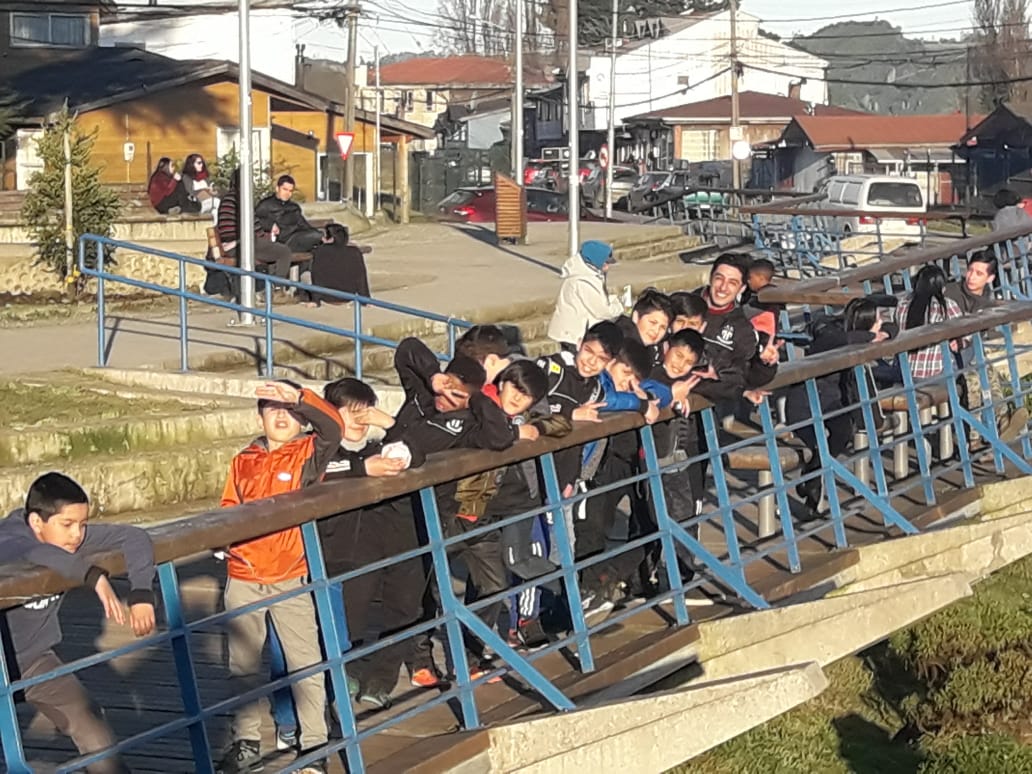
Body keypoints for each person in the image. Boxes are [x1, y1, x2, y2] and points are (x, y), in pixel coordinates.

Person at [214, 380, 344, 774]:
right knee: (243, 665)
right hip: (243, 574)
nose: (281, 415)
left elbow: (334, 428)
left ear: (301, 417)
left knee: (306, 663)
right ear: (260, 417)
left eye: (288, 410)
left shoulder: (308, 453)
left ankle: (314, 746)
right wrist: (224, 542)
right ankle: (246, 742)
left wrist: (301, 398)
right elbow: (228, 506)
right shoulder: (243, 459)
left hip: (291, 575)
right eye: (272, 408)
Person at [0, 472, 156, 774]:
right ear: (36, 522)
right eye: (68, 524)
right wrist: (94, 577)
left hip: (34, 661)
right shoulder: (10, 538)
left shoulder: (64, 537)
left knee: (90, 721)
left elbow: (134, 536)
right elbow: (32, 552)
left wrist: (141, 594)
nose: (77, 536)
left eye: (83, 524)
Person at [785, 299, 889, 514]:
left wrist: (885, 333)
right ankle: (812, 491)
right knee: (818, 444)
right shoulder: (830, 331)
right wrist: (870, 337)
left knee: (843, 432)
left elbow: (892, 328)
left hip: (833, 400)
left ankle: (811, 479)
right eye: (878, 319)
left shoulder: (857, 332)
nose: (881, 322)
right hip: (805, 401)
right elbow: (836, 340)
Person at [216, 167, 294, 281]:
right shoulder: (243, 199)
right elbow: (255, 228)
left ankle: (269, 284)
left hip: (230, 244)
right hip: (240, 245)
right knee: (284, 252)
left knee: (271, 249)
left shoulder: (227, 199)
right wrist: (267, 237)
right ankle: (277, 286)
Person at [547, 240, 625, 350]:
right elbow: (603, 312)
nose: (608, 267)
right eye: (605, 263)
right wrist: (619, 305)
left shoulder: (585, 275)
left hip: (571, 332)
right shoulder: (584, 282)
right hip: (573, 336)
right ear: (595, 262)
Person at [896, 265, 965, 381]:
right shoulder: (946, 306)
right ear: (942, 288)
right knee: (969, 346)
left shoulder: (903, 304)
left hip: (907, 375)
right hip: (937, 375)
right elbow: (963, 330)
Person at [305, 223, 371, 305]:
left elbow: (316, 277)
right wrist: (365, 299)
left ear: (331, 238)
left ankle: (303, 297)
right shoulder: (355, 252)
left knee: (305, 275)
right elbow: (361, 278)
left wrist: (316, 300)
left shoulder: (320, 251)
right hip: (348, 296)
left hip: (326, 297)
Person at [256, 175, 323, 254]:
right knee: (316, 237)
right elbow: (253, 221)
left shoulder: (294, 207)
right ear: (277, 188)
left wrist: (321, 236)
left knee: (318, 238)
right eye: (285, 189)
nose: (287, 193)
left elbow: (304, 225)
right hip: (279, 242)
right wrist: (270, 225)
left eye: (290, 191)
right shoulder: (265, 205)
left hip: (295, 238)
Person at [614, 288, 675, 366]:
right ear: (636, 317)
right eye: (652, 322)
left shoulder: (656, 351)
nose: (656, 331)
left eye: (663, 327)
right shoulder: (617, 344)